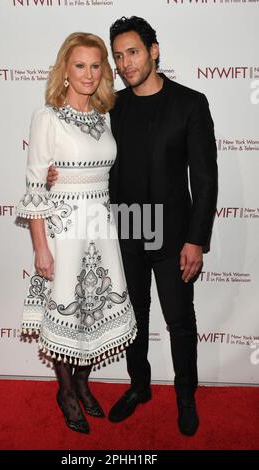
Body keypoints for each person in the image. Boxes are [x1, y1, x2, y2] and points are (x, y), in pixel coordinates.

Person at [47, 17, 218, 436]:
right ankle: (139, 386)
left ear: (154, 50)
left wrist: (196, 239)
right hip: (123, 229)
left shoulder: (191, 103)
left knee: (180, 320)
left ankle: (184, 395)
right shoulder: (112, 107)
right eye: (118, 56)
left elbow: (206, 179)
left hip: (173, 234)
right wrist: (56, 174)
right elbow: (87, 154)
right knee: (133, 317)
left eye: (134, 52)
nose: (125, 63)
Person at [16, 32, 137, 435]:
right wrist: (40, 249)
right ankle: (66, 391)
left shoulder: (105, 116)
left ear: (103, 70)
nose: (88, 73)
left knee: (94, 309)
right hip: (64, 230)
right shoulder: (46, 117)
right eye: (79, 65)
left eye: (95, 65)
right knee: (67, 309)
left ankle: (83, 383)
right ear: (65, 71)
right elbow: (35, 186)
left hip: (100, 227)